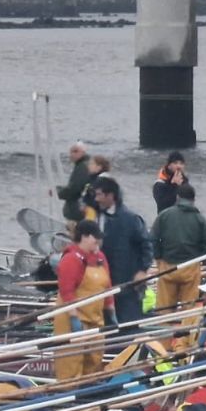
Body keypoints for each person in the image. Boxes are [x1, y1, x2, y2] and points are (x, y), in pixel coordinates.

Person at [53, 220, 114, 382]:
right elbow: (67, 291)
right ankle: (67, 394)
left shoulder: (100, 258)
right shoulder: (71, 258)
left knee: (94, 362)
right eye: (96, 238)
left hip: (95, 320)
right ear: (85, 237)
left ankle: (89, 393)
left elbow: (107, 287)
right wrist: (73, 317)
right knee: (70, 364)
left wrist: (111, 312)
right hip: (73, 321)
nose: (98, 242)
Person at [91, 177, 152, 328]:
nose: (96, 199)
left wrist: (143, 270)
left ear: (110, 195)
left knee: (127, 324)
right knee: (106, 324)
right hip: (104, 280)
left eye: (99, 195)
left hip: (127, 281)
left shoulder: (130, 219)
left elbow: (147, 244)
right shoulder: (97, 217)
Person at [150, 182, 206, 312]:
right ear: (194, 200)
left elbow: (152, 239)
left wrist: (158, 257)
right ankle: (187, 329)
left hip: (167, 267)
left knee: (164, 308)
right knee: (189, 309)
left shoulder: (164, 215)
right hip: (190, 267)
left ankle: (164, 328)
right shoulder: (200, 219)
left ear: (177, 197)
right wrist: (202, 260)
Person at [55, 141, 95, 224]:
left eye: (76, 151)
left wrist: (57, 193)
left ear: (83, 152)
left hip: (78, 211)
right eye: (71, 152)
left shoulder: (82, 167)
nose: (72, 154)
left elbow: (74, 189)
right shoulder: (86, 165)